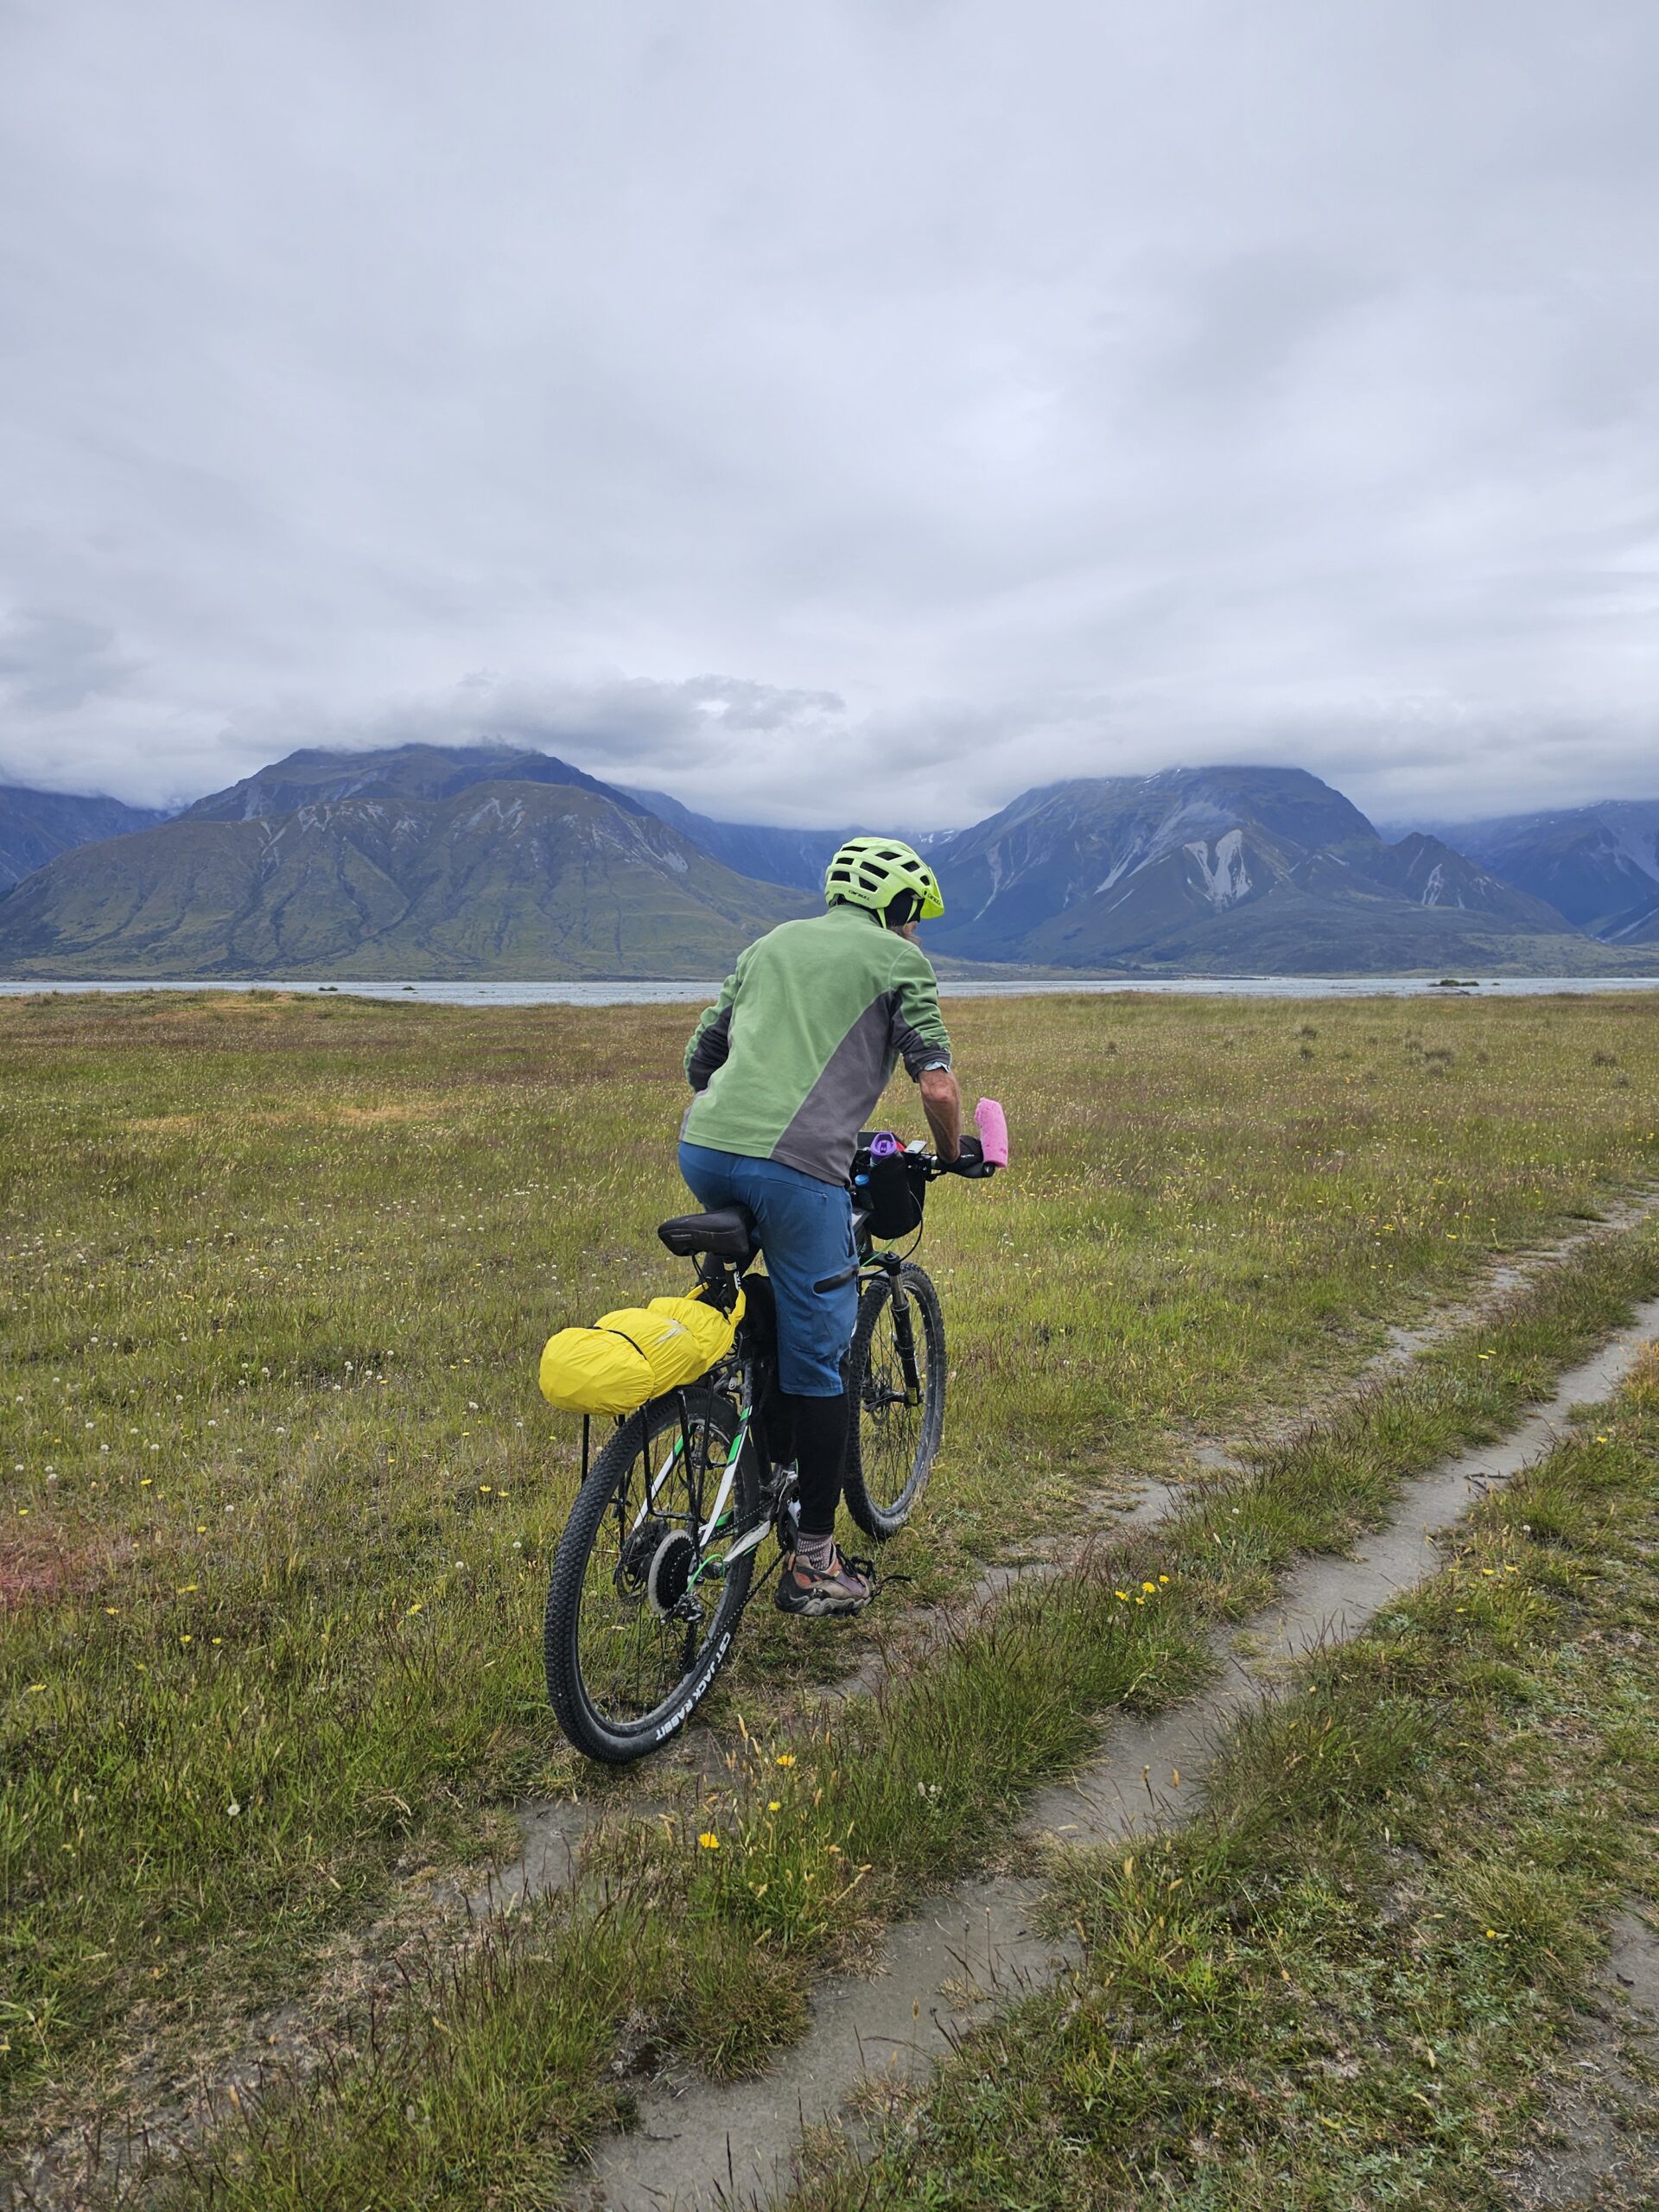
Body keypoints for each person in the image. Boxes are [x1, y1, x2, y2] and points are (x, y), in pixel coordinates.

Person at [678, 836, 980, 1618]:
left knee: (777, 1296)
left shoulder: (769, 943)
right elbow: (940, 1091)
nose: (916, 932)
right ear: (900, 907)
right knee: (825, 1365)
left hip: (704, 1150)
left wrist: (747, 1109)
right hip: (797, 1167)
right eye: (915, 917)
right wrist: (953, 1156)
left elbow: (701, 1057)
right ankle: (814, 1563)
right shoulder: (899, 961)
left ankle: (749, 1398)